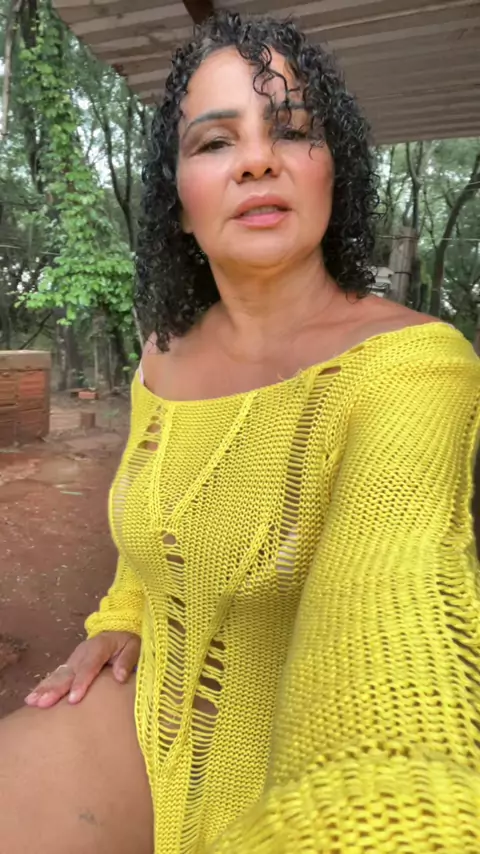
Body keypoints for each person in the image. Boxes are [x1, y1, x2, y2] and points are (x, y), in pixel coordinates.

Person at [1, 11, 479, 854]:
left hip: (298, 765)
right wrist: (124, 614)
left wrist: (386, 803)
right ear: (179, 207)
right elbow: (154, 531)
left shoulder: (416, 366)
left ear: (335, 173)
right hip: (149, 714)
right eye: (216, 142)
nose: (257, 159)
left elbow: (394, 597)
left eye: (290, 131)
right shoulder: (162, 357)